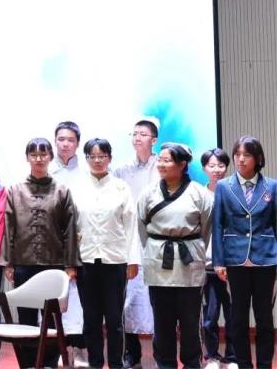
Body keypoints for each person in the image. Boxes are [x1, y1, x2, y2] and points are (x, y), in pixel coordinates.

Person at [0, 137, 80, 369]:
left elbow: (70, 229)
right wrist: (8, 263)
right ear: (27, 158)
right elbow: (8, 227)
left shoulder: (62, 191)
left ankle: (49, 364)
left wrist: (70, 264)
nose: (38, 159)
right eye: (33, 155)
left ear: (50, 157)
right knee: (25, 318)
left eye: (43, 154)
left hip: (54, 264)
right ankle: (28, 363)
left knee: (52, 318)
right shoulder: (15, 191)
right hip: (23, 262)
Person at [138, 143, 211, 369]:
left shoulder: (199, 193)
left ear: (182, 164)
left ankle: (191, 363)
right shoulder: (148, 192)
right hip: (158, 262)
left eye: (167, 160)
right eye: (159, 160)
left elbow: (206, 229)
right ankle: (165, 364)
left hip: (189, 263)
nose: (161, 164)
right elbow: (142, 229)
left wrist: (191, 246)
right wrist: (156, 247)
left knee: (190, 321)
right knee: (162, 321)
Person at [71, 138, 140, 369]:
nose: (98, 160)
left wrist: (132, 260)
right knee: (91, 319)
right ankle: (95, 363)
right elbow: (71, 226)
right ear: (86, 159)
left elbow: (131, 225)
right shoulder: (78, 188)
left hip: (115, 260)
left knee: (114, 319)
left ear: (110, 158)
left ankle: (116, 364)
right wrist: (70, 262)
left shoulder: (121, 187)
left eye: (102, 156)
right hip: (86, 260)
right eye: (92, 156)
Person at [212, 137, 277, 369]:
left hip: (266, 260)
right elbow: (218, 225)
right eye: (237, 154)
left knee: (264, 319)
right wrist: (218, 261)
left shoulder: (272, 186)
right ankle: (243, 364)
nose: (240, 159)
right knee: (238, 318)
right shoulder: (223, 186)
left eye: (246, 154)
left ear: (258, 158)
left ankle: (265, 364)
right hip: (234, 260)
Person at [113, 119, 159, 368]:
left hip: (155, 240)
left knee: (158, 299)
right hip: (128, 240)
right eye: (135, 134)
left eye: (143, 134)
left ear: (154, 140)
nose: (137, 137)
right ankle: (132, 353)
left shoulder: (161, 166)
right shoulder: (121, 170)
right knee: (128, 299)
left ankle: (161, 352)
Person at [48, 121, 88, 366]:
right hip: (53, 243)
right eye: (61, 139)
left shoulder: (86, 170)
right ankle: (59, 351)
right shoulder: (47, 169)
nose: (65, 144)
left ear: (78, 143)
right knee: (56, 298)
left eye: (70, 140)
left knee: (80, 300)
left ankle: (80, 350)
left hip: (82, 242)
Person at [200, 148, 235, 369]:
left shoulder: (233, 192)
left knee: (233, 314)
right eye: (212, 166)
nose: (217, 170)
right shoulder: (199, 194)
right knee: (210, 315)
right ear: (204, 168)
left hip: (232, 264)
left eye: (221, 165)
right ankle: (211, 356)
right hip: (206, 265)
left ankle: (232, 357)